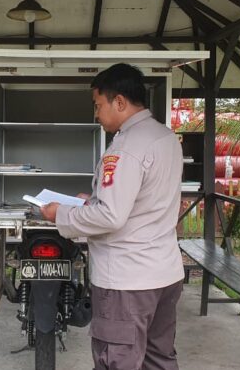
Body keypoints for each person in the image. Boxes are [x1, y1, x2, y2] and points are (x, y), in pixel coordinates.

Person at [40, 63, 185, 370]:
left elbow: (111, 217)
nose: (96, 114)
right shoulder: (165, 138)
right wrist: (91, 201)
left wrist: (60, 214)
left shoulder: (125, 147)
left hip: (127, 280)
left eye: (98, 105)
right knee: (159, 360)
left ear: (119, 102)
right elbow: (145, 201)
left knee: (117, 362)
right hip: (165, 273)